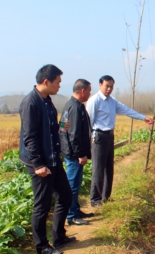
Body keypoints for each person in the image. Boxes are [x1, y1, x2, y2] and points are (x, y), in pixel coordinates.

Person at [19, 64, 75, 254]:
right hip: (40, 163)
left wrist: (60, 127)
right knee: (42, 205)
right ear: (46, 81)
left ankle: (59, 238)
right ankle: (42, 247)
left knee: (65, 196)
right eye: (58, 82)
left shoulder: (47, 101)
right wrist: (38, 164)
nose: (60, 86)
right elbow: (30, 137)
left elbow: (49, 130)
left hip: (52, 159)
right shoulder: (30, 103)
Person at [86, 75, 154, 207]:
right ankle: (95, 199)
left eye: (111, 86)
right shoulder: (94, 100)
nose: (109, 89)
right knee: (98, 169)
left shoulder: (112, 101)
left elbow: (127, 110)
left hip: (109, 136)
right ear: (100, 85)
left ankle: (106, 196)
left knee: (108, 168)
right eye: (107, 86)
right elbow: (89, 122)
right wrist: (88, 142)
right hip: (98, 136)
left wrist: (143, 118)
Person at [59, 79, 94, 226]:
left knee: (76, 183)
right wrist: (80, 154)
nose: (90, 94)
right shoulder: (75, 107)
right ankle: (71, 215)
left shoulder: (70, 104)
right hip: (73, 154)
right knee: (72, 185)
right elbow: (73, 134)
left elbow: (62, 127)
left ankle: (75, 209)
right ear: (82, 91)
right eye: (89, 91)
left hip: (70, 151)